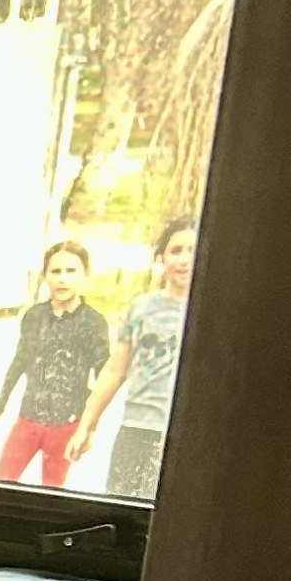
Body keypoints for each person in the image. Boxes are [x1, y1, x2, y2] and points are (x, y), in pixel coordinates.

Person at [78, 215, 199, 506]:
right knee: (124, 511)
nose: (183, 259)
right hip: (138, 431)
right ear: (162, 257)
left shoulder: (218, 311)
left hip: (188, 437)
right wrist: (88, 423)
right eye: (175, 250)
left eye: (192, 250)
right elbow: (115, 370)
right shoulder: (142, 309)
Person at [0, 237, 107, 490]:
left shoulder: (94, 323)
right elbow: (19, 361)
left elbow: (103, 377)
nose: (62, 279)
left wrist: (90, 428)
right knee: (1, 484)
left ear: (85, 275)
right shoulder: (34, 316)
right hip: (28, 419)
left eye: (71, 271)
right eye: (56, 271)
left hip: (66, 424)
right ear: (45, 276)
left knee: (52, 493)